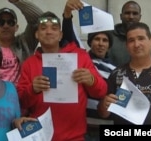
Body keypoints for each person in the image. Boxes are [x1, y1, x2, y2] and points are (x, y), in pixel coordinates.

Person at [16, 2, 108, 140]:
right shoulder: (29, 63)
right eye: (43, 28)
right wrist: (32, 89)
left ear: (60, 35)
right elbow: (21, 102)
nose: (48, 31)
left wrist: (92, 80)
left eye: (54, 28)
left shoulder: (80, 56)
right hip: (40, 136)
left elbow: (101, 91)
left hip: (75, 137)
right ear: (36, 34)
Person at [97, 22, 151, 124]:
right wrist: (104, 105)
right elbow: (104, 114)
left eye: (141, 38)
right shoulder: (116, 74)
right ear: (127, 46)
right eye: (131, 40)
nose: (136, 44)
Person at [85, 31, 115, 141]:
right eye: (97, 39)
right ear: (90, 42)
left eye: (105, 40)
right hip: (83, 127)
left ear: (109, 45)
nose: (101, 44)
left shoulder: (115, 69)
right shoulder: (82, 61)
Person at [108, 0, 142, 66]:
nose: (131, 17)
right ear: (121, 16)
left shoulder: (146, 39)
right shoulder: (109, 37)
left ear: (140, 17)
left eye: (135, 13)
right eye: (127, 13)